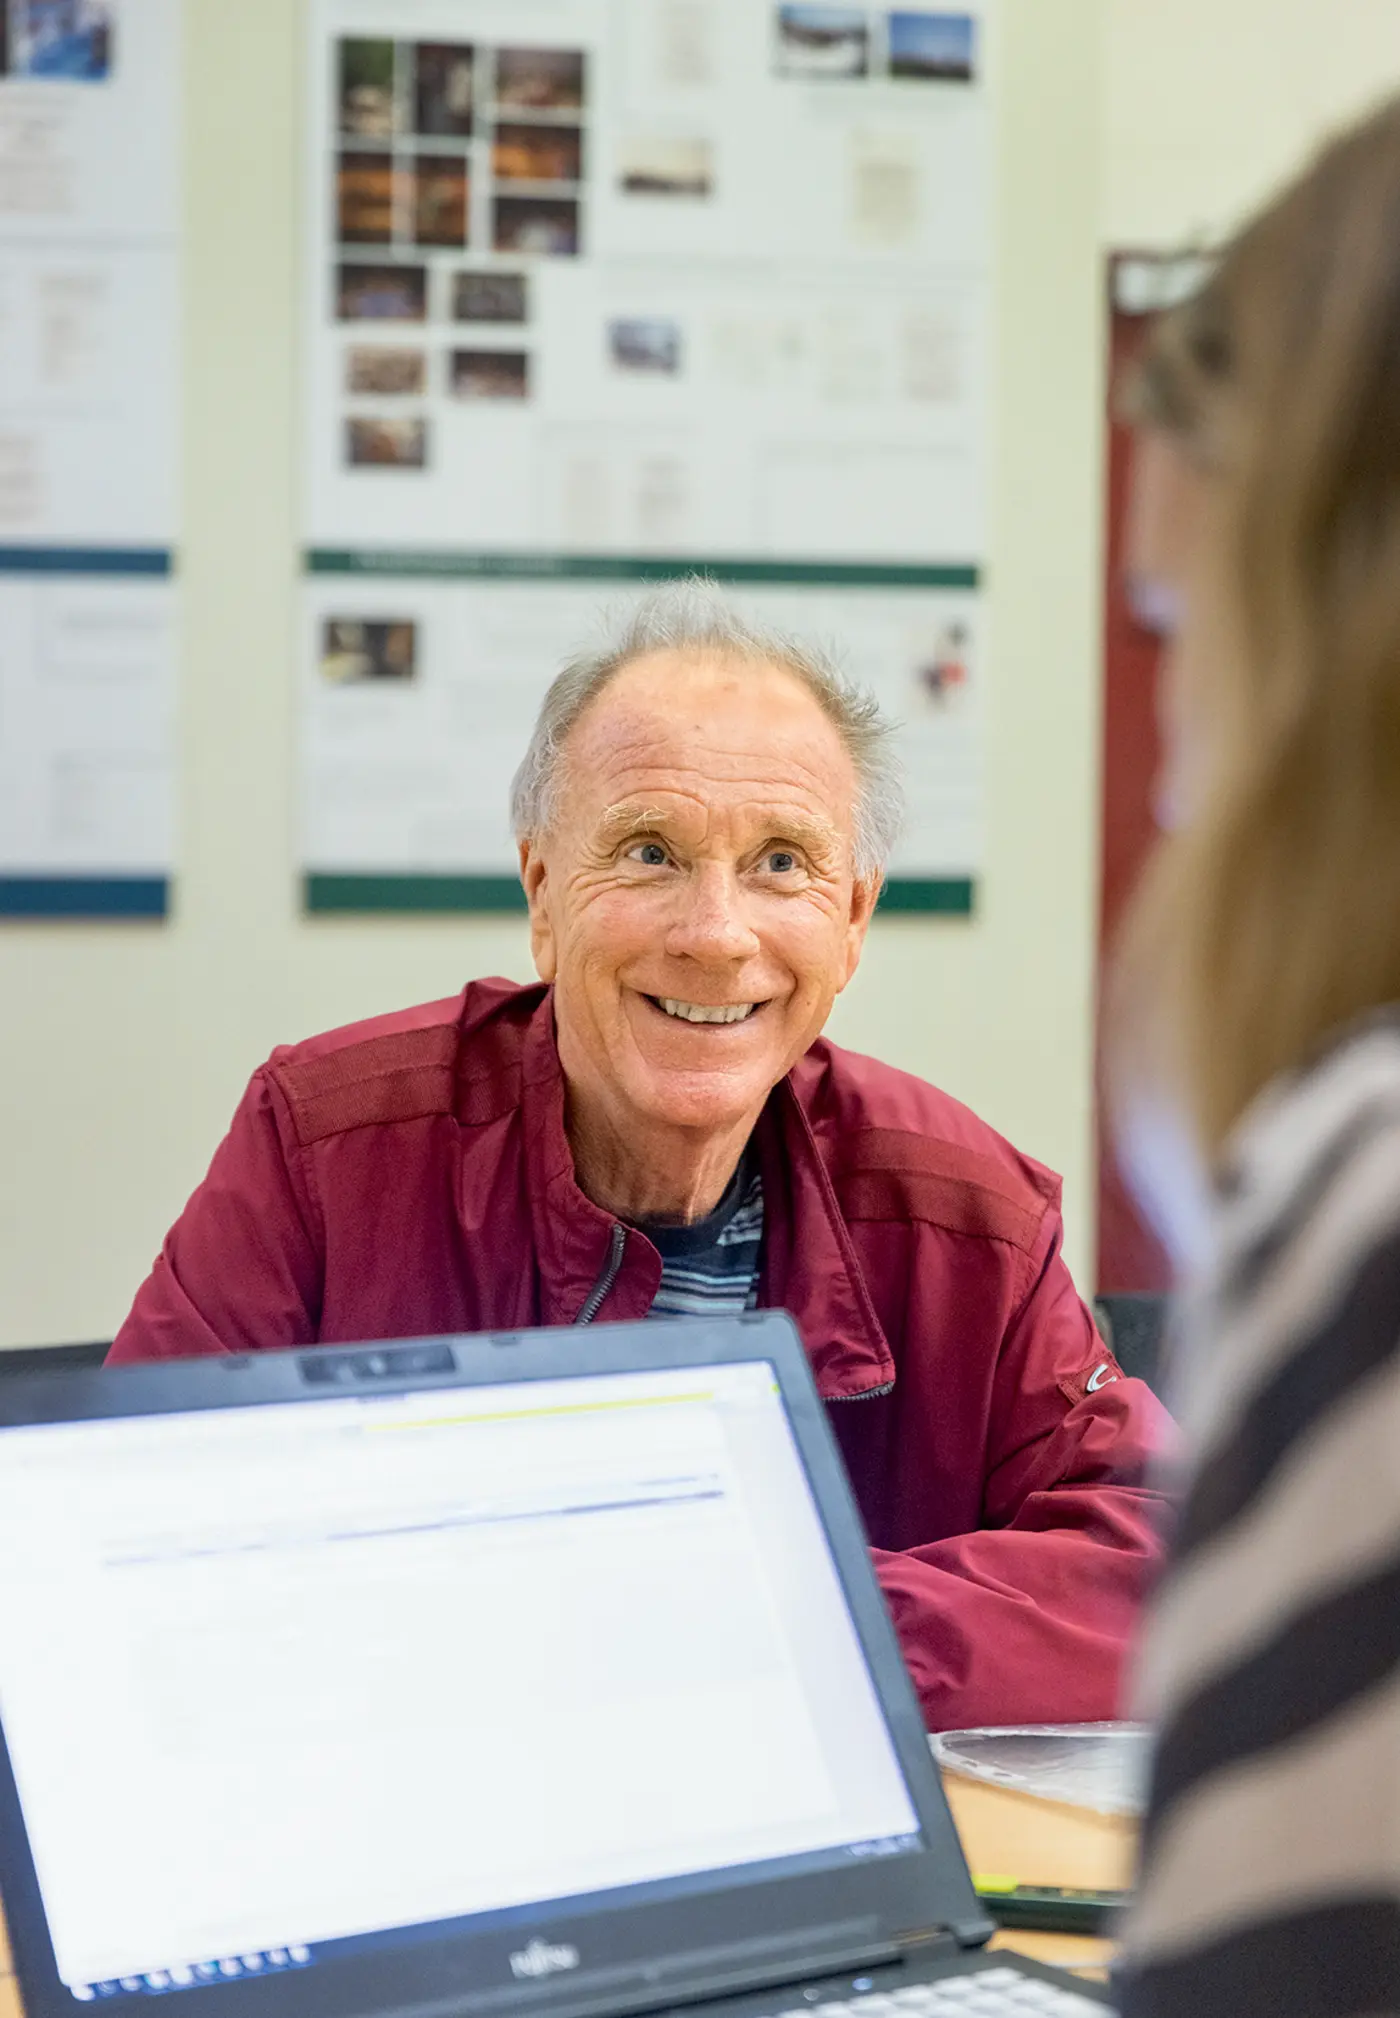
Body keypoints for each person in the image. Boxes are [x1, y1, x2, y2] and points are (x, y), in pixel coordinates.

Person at [111, 581, 1169, 1732]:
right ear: (543, 892)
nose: (714, 932)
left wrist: (790, 1625)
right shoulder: (326, 1147)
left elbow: (1162, 1555)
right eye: (650, 851)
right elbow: (120, 1539)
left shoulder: (963, 1214)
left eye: (779, 862)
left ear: (852, 918)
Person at [1111, 99, 1400, 2018]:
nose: (1177, 763)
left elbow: (1092, 1511)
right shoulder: (335, 1119)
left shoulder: (1367, 1184)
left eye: (1182, 628)